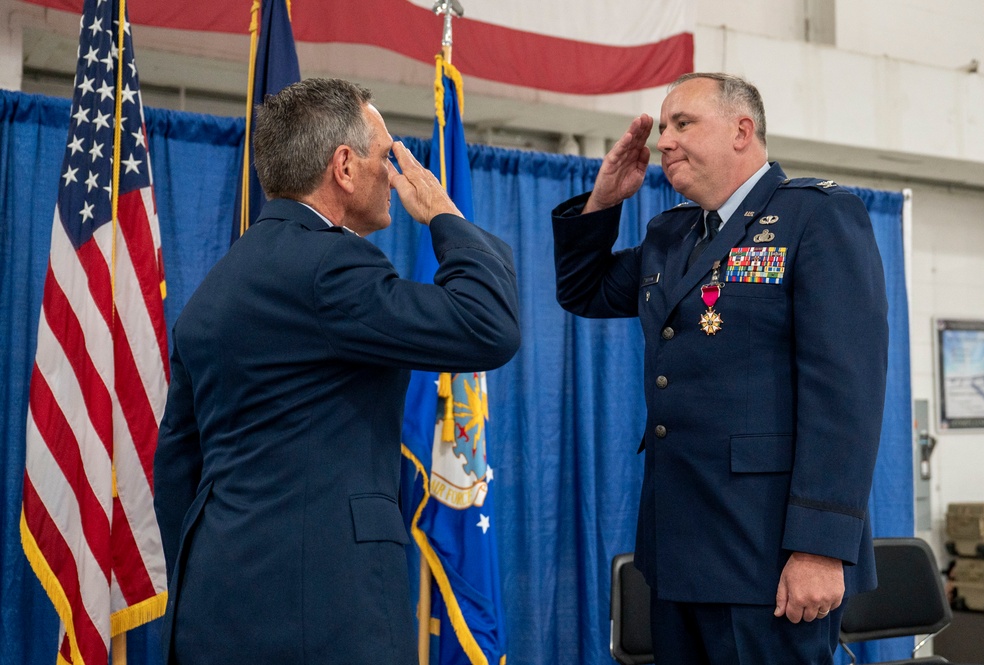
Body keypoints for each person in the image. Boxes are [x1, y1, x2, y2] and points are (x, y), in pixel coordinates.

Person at [154, 78, 520, 665]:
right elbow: (488, 326)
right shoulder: (331, 266)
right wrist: (445, 217)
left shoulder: (218, 286)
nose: (398, 177)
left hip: (214, 606)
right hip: (323, 614)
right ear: (344, 166)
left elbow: (177, 466)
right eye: (388, 158)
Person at [552, 72, 888, 664]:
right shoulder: (671, 233)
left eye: (683, 124)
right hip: (678, 549)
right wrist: (603, 201)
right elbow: (584, 291)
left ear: (741, 130)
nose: (664, 142)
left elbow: (845, 395)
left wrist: (821, 548)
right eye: (662, 128)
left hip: (768, 557)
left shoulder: (817, 217)